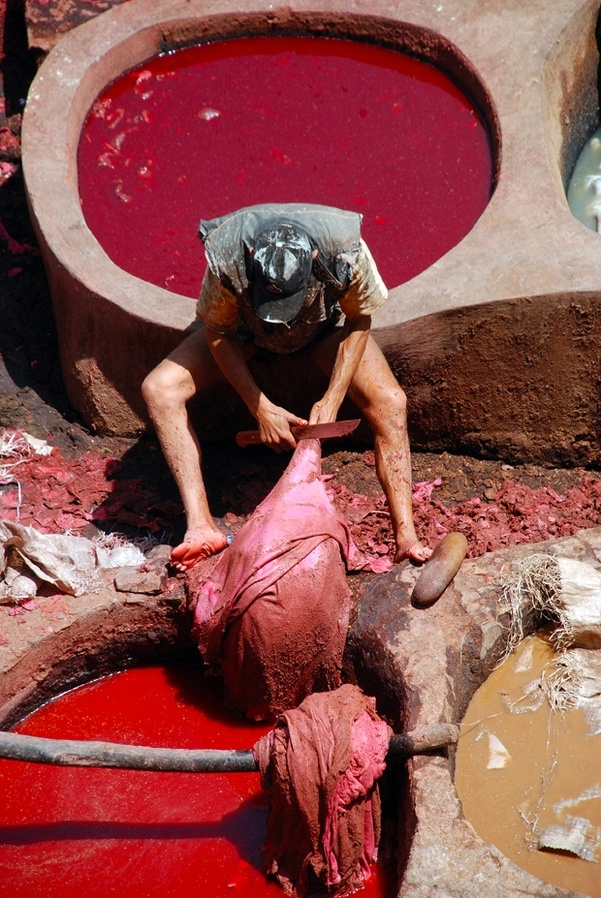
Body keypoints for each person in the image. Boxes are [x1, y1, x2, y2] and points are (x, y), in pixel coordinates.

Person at [142, 202, 431, 572]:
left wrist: (332, 399)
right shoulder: (227, 252)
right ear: (250, 257)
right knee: (158, 388)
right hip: (245, 333)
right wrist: (258, 405)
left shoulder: (346, 251)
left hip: (320, 330)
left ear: (313, 257)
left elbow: (359, 319)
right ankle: (200, 527)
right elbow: (216, 330)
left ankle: (406, 537)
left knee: (391, 401)